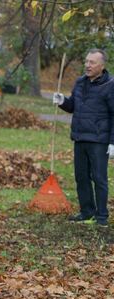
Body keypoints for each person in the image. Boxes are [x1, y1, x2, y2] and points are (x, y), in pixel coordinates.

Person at [53, 49, 114, 227]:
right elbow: (73, 106)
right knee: (81, 177)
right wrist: (62, 101)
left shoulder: (110, 85)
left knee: (99, 178)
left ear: (102, 66)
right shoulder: (80, 82)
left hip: (98, 140)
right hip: (80, 137)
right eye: (86, 61)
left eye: (92, 62)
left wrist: (112, 142)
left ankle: (102, 217)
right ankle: (87, 212)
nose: (87, 65)